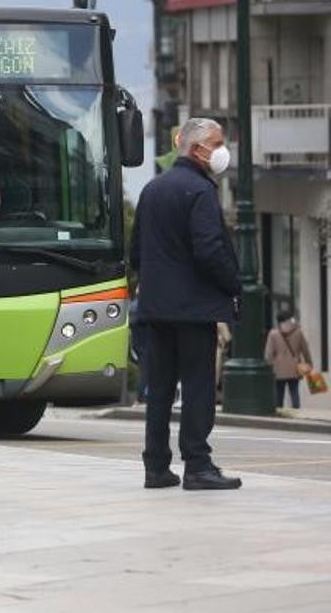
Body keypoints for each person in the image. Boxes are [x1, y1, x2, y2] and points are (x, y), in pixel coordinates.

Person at [131, 117, 243, 491]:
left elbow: (136, 253)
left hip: (155, 307)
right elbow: (209, 250)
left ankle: (156, 467)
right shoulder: (199, 191)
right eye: (217, 142)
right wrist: (233, 284)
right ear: (198, 150)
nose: (222, 150)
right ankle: (197, 465)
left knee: (159, 389)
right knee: (197, 387)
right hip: (195, 309)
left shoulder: (152, 190)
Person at [266, 311, 313, 410]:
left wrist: (269, 367)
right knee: (294, 392)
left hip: (278, 369)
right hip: (295, 368)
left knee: (279, 393)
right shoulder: (298, 332)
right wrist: (309, 363)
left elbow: (269, 354)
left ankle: (279, 412)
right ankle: (297, 411)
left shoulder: (273, 333)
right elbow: (305, 350)